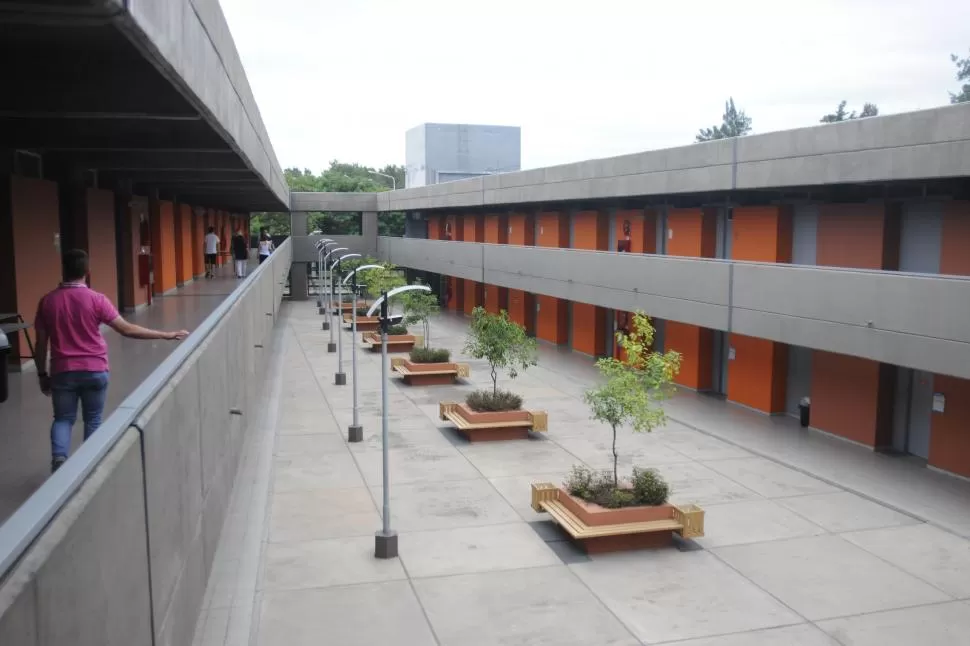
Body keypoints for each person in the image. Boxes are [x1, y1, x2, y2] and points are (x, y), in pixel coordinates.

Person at [34, 249, 190, 473]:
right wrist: (165, 335)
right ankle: (88, 467)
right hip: (95, 370)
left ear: (64, 270)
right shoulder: (97, 300)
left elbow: (41, 345)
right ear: (87, 272)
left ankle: (59, 461)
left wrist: (42, 375)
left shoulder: (47, 302)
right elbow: (127, 330)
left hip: (63, 371)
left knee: (63, 418)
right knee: (93, 419)